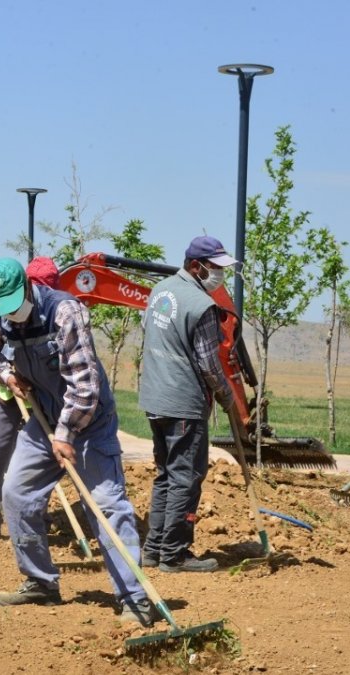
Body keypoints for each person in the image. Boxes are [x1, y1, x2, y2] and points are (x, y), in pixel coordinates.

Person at [0, 257, 156, 626]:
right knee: (16, 492)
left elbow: (86, 386)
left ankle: (135, 598)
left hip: (89, 422)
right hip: (44, 418)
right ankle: (41, 582)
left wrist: (66, 435)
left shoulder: (65, 312)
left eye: (14, 304)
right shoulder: (0, 314)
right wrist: (7, 373)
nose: (9, 315)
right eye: (2, 308)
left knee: (107, 504)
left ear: (27, 288)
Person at [138, 235, 237, 573]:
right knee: (186, 477)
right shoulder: (202, 305)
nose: (220, 276)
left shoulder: (159, 292)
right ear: (196, 266)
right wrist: (228, 398)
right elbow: (210, 365)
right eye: (216, 269)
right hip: (183, 402)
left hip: (154, 398)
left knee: (166, 474)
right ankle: (175, 554)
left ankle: (153, 550)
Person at [0, 256, 61, 542]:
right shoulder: (1, 309)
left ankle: (35, 516)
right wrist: (8, 374)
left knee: (42, 459)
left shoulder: (57, 311)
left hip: (44, 395)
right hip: (8, 392)